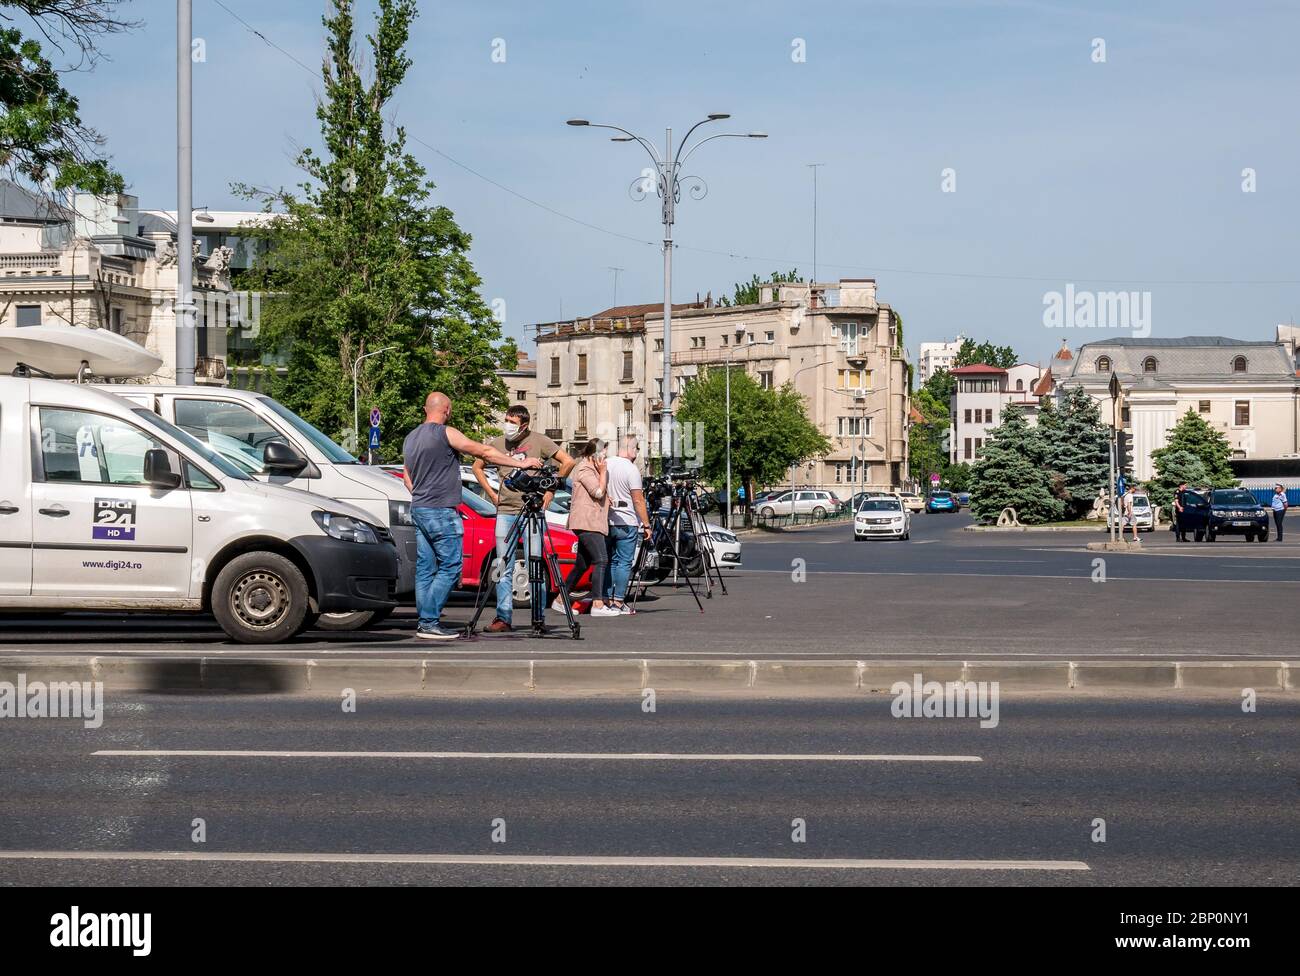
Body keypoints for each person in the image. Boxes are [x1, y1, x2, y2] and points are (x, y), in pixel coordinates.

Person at [403, 392, 541, 640]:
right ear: (447, 410)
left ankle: (424, 621)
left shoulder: (411, 438)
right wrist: (521, 464)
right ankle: (429, 622)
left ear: (426, 409)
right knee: (451, 566)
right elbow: (484, 451)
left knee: (425, 568)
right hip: (441, 510)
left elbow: (406, 478)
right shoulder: (445, 433)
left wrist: (422, 496)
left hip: (420, 507)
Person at [471, 405, 574, 634]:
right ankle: (503, 617)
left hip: (532, 511)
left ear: (524, 425)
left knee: (534, 564)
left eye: (512, 422)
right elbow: (477, 466)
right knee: (503, 564)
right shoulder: (497, 443)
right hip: (506, 510)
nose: (507, 425)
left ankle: (538, 618)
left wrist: (550, 490)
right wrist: (491, 493)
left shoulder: (541, 441)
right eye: (506, 420)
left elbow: (568, 462)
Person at [558, 438, 620, 617]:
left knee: (582, 564)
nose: (605, 457)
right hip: (587, 522)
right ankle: (598, 604)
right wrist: (603, 472)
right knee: (601, 560)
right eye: (602, 453)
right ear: (594, 454)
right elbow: (597, 492)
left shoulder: (592, 469)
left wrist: (608, 499)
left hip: (591, 521)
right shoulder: (584, 469)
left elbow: (598, 495)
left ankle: (561, 599)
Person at [602, 435, 652, 613]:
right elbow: (638, 500)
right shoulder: (631, 470)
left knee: (609, 562)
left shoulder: (606, 463)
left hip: (607, 520)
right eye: (637, 449)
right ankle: (618, 601)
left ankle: (606, 599)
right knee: (624, 562)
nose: (637, 452)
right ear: (631, 449)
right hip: (627, 521)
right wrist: (646, 525)